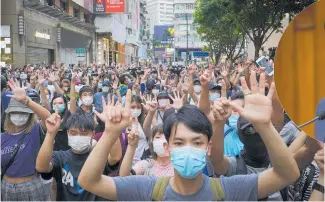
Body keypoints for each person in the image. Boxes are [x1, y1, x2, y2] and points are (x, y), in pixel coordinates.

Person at [77, 81, 300, 200]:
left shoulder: (229, 190)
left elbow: (286, 174)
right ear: (167, 146)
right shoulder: (146, 190)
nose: (188, 149)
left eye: (197, 142)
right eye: (179, 143)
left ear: (208, 147)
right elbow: (89, 182)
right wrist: (110, 133)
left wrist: (264, 125)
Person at [35, 109, 122, 201]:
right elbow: (41, 167)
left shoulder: (98, 157)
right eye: (73, 133)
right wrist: (50, 133)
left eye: (84, 133)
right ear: (68, 133)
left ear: (92, 135)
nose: (78, 136)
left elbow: (115, 157)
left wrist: (111, 128)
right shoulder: (60, 157)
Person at [1, 79, 51, 201]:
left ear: (29, 115)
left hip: (31, 186)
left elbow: (48, 117)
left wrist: (26, 101)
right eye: (15, 112)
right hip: (6, 187)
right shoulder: (2, 137)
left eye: (23, 113)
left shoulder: (35, 131)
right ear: (9, 115)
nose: (18, 116)